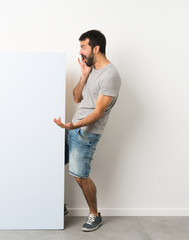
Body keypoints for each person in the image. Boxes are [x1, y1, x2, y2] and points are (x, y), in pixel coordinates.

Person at [54, 29, 121, 232]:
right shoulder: (91, 69)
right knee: (52, 162)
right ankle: (58, 206)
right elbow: (76, 97)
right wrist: (83, 76)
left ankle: (95, 215)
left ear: (96, 48)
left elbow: (99, 112)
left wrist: (74, 126)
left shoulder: (111, 76)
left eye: (84, 47)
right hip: (73, 128)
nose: (81, 52)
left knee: (80, 175)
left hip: (87, 133)